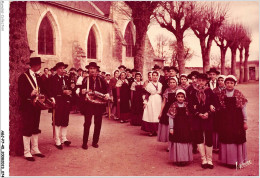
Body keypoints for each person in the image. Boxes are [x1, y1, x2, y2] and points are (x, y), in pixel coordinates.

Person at [18, 57, 46, 161]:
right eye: (39, 64)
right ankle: (27, 152)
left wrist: (43, 96)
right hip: (27, 106)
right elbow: (21, 92)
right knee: (27, 128)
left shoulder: (38, 77)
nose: (40, 66)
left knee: (35, 127)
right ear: (34, 65)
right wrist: (30, 93)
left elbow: (43, 89)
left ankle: (35, 149)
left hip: (36, 106)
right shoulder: (23, 77)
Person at [218, 75, 249, 169]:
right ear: (225, 83)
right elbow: (219, 108)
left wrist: (245, 121)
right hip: (225, 120)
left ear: (235, 84)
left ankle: (238, 160)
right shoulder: (221, 94)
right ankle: (227, 160)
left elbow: (243, 108)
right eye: (227, 83)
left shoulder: (238, 93)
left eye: (231, 83)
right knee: (226, 138)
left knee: (237, 138)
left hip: (237, 120)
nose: (229, 85)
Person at [188, 73, 217, 169]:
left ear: (206, 81)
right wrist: (198, 114)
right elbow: (190, 106)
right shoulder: (193, 92)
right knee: (199, 137)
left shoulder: (210, 92)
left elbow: (215, 104)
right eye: (199, 80)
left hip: (208, 117)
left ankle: (209, 160)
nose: (201, 82)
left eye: (203, 80)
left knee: (209, 138)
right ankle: (203, 159)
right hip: (198, 118)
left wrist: (208, 112)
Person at [80, 62, 109, 149]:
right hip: (88, 105)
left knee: (98, 123)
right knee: (87, 123)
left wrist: (107, 94)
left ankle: (95, 142)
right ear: (88, 70)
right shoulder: (85, 79)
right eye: (90, 68)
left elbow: (107, 88)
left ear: (97, 69)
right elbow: (81, 91)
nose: (92, 70)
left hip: (98, 105)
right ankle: (84, 143)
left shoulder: (101, 79)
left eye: (94, 68)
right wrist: (82, 92)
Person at [49, 62, 72, 150]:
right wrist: (62, 92)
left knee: (65, 120)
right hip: (57, 101)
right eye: (61, 68)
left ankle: (64, 138)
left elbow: (70, 87)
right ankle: (57, 139)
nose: (63, 70)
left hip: (66, 101)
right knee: (57, 120)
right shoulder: (53, 79)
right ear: (57, 69)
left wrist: (70, 91)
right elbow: (51, 91)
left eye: (63, 68)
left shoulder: (66, 78)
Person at [167, 89, 193, 166]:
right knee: (177, 141)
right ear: (176, 97)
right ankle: (178, 159)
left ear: (184, 97)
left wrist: (191, 126)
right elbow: (171, 117)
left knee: (185, 141)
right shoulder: (174, 105)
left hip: (185, 127)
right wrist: (171, 128)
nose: (180, 98)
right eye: (179, 96)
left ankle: (185, 158)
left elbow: (190, 117)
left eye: (182, 97)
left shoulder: (187, 105)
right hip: (177, 127)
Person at [158, 77, 178, 150]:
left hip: (177, 110)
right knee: (169, 127)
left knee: (176, 127)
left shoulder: (179, 90)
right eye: (171, 82)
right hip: (168, 110)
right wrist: (160, 112)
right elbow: (164, 102)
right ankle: (169, 145)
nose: (172, 84)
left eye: (173, 82)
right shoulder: (167, 90)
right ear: (168, 83)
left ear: (176, 83)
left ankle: (176, 144)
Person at [141, 71, 162, 136]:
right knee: (151, 114)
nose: (155, 77)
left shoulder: (160, 84)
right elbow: (147, 94)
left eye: (156, 75)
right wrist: (145, 102)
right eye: (153, 75)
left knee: (157, 115)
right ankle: (151, 130)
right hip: (151, 100)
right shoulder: (149, 85)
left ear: (158, 76)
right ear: (151, 77)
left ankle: (157, 130)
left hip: (158, 101)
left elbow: (162, 93)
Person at [186, 71, 200, 154]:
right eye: (193, 78)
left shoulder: (202, 87)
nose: (194, 80)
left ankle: (199, 145)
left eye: (196, 78)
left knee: (199, 129)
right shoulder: (189, 89)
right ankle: (193, 146)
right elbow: (187, 99)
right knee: (192, 129)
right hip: (192, 111)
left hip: (200, 110)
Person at [212, 75, 226, 153]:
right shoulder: (214, 90)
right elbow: (211, 100)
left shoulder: (227, 90)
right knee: (215, 128)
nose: (220, 82)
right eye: (219, 80)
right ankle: (215, 146)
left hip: (225, 112)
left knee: (223, 128)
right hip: (216, 112)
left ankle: (223, 146)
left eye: (222, 80)